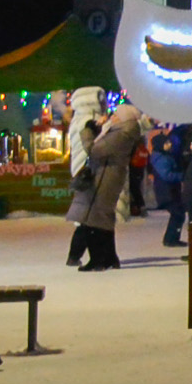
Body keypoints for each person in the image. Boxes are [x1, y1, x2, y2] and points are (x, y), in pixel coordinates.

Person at [71, 103, 144, 270]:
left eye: (116, 115)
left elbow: (94, 150)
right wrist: (100, 128)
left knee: (94, 219)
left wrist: (88, 131)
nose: (113, 116)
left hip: (106, 178)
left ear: (124, 119)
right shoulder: (121, 131)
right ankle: (109, 257)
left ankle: (98, 259)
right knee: (102, 218)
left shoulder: (121, 133)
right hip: (107, 176)